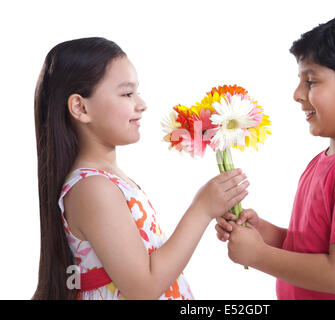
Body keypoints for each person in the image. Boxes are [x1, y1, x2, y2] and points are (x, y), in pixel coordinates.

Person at [32, 37, 249, 300]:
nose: (141, 104)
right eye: (127, 94)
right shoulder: (92, 188)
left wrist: (209, 209)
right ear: (80, 107)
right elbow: (143, 288)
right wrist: (201, 210)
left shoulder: (109, 181)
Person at [215, 14, 335, 299]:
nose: (297, 94)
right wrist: (264, 233)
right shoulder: (327, 160)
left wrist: (257, 255)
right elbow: (314, 249)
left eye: (311, 81)